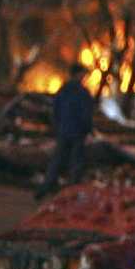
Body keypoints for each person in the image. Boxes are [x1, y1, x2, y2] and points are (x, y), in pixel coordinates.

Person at [38, 63, 97, 199]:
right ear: (78, 74)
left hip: (64, 130)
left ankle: (45, 187)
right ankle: (71, 192)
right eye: (83, 74)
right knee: (76, 162)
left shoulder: (63, 90)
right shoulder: (82, 93)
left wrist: (57, 126)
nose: (84, 77)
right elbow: (86, 114)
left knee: (57, 160)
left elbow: (55, 111)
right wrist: (88, 129)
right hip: (77, 131)